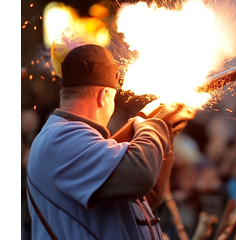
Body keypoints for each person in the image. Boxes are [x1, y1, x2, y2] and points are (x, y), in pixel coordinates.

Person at [26, 44, 195, 240]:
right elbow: (140, 176)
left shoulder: (73, 138)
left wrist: (165, 135)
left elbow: (148, 194)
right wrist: (152, 126)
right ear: (103, 96)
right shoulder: (61, 137)